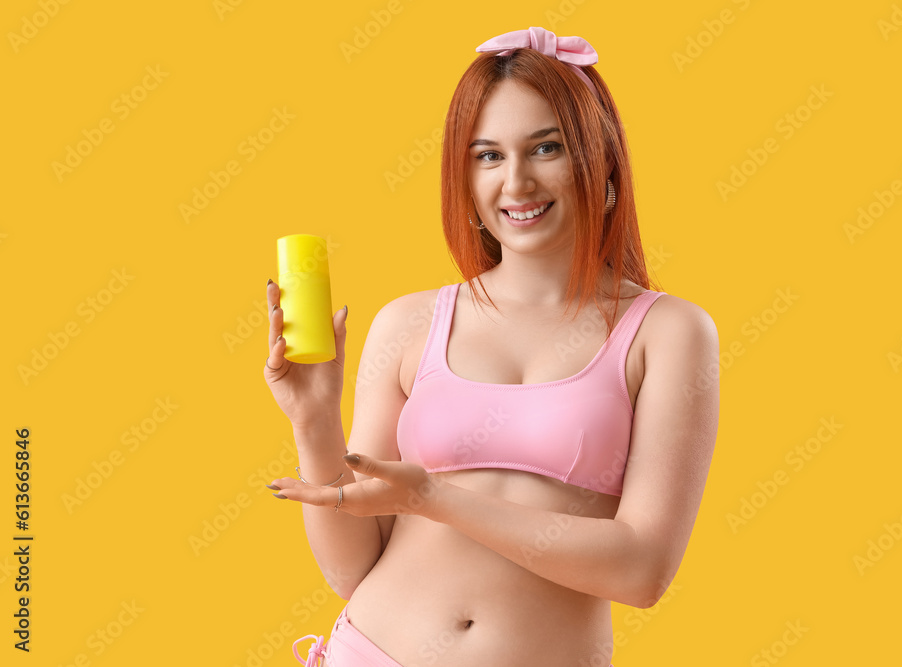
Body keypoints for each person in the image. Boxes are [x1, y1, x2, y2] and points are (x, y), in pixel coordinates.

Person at [263, 26, 719, 667]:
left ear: (603, 162)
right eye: (488, 156)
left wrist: (432, 498)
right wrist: (313, 421)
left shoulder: (667, 333)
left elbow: (641, 570)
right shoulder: (408, 323)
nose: (518, 182)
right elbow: (352, 570)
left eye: (547, 148)